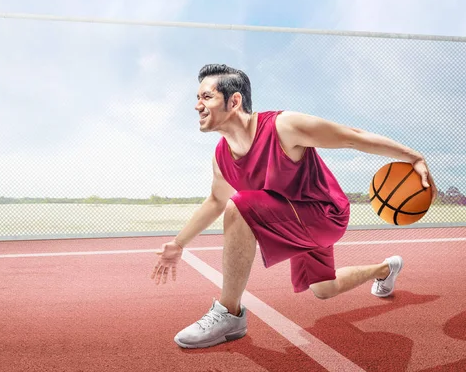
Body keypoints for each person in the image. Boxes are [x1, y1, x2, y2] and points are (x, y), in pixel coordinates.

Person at [150, 64, 437, 349]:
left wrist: (414, 157)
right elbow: (215, 200)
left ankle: (230, 314)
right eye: (197, 98)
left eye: (206, 97)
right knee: (325, 289)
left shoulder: (283, 126)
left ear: (234, 100)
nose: (197, 105)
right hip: (293, 219)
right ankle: (385, 269)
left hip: (325, 214)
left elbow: (352, 136)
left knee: (239, 208)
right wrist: (178, 243)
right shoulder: (221, 155)